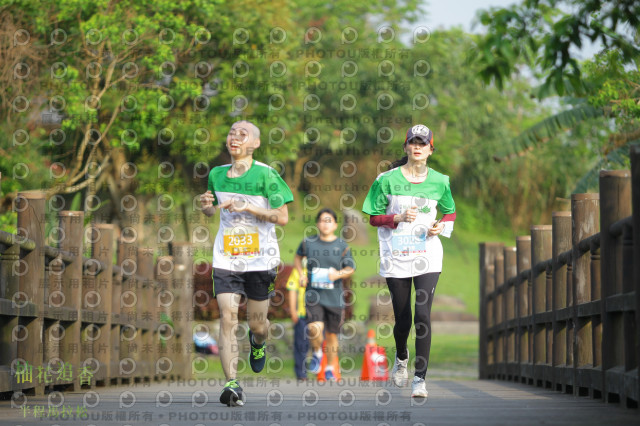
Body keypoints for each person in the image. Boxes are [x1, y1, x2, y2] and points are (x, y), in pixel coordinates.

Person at [199, 120, 293, 406]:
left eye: (243, 134)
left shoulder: (267, 175)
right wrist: (205, 206)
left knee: (257, 324)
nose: (235, 137)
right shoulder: (216, 174)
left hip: (260, 259)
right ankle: (231, 384)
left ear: (255, 143)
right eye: (231, 132)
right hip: (226, 257)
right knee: (227, 318)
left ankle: (258, 344)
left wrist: (249, 206)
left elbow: (283, 216)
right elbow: (210, 209)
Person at [362, 124, 456, 398]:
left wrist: (440, 226)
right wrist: (397, 218)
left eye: (422, 143)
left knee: (423, 315)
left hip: (428, 254)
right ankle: (401, 356)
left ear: (430, 149)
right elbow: (373, 216)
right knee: (403, 319)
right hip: (396, 256)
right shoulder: (386, 179)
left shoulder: (440, 181)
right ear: (406, 147)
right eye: (412, 142)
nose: (417, 146)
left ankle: (420, 379)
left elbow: (449, 212)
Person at [294, 208, 356, 381]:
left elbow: (350, 267)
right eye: (322, 220)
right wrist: (301, 274)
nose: (325, 224)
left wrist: (338, 274)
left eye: (329, 220)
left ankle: (329, 367)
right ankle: (317, 353)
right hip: (314, 296)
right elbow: (298, 258)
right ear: (317, 223)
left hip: (335, 298)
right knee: (314, 328)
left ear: (335, 224)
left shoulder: (342, 245)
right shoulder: (308, 243)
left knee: (331, 336)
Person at [286, 261, 309, 381]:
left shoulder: (318, 270)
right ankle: (301, 373)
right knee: (301, 344)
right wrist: (293, 311)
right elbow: (292, 291)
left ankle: (322, 370)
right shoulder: (297, 272)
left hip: (318, 314)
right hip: (301, 314)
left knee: (319, 343)